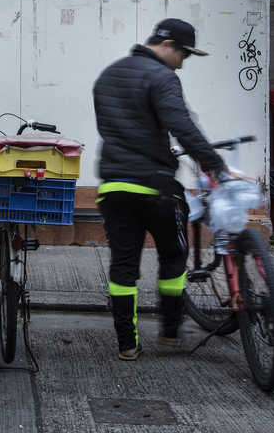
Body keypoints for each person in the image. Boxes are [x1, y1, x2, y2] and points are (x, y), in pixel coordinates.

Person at [93, 18, 228, 361]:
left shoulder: (108, 75)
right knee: (173, 255)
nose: (184, 62)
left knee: (124, 264)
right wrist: (213, 162)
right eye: (184, 54)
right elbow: (180, 124)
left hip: (114, 185)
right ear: (168, 45)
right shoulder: (163, 77)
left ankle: (127, 343)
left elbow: (114, 129)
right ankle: (169, 332)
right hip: (155, 187)